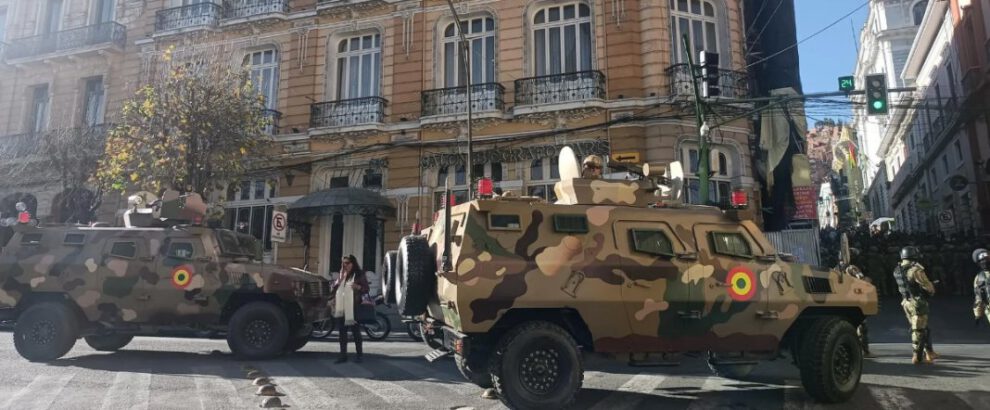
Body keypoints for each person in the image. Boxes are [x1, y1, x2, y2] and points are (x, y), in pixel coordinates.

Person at [893, 246, 937, 364]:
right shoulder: (915, 270)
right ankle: (917, 356)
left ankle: (929, 352)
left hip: (905, 302)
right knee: (918, 330)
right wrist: (931, 288)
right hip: (916, 302)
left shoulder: (897, 269)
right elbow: (928, 287)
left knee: (923, 327)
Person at [331, 255, 370, 363]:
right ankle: (343, 355)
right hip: (341, 307)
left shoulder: (359, 274)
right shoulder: (342, 274)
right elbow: (334, 288)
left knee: (356, 332)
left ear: (353, 263)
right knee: (342, 333)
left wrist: (358, 287)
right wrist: (339, 279)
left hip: (354, 307)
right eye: (344, 263)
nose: (345, 265)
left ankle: (359, 355)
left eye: (347, 263)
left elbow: (366, 288)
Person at [840, 248, 871, 356]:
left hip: (842, 300)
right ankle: (864, 351)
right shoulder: (852, 268)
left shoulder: (836, 268)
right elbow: (861, 279)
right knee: (862, 326)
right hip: (855, 300)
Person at [973, 249, 990, 326]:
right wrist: (978, 314)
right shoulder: (980, 278)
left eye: (986, 260)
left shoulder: (980, 277)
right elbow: (979, 296)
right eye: (982, 261)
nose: (985, 262)